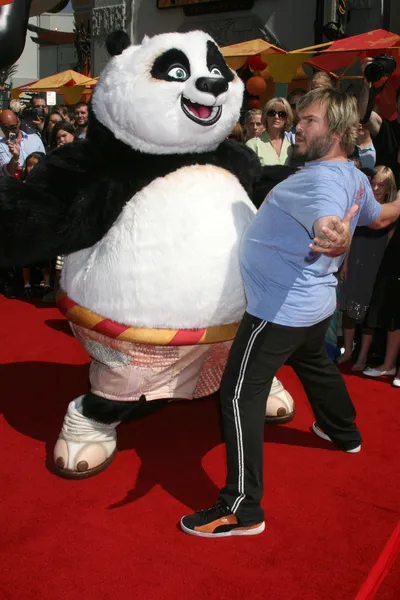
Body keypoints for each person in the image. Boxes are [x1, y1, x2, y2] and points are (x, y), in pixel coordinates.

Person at [180, 87, 400, 538]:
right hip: (312, 308)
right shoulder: (355, 175)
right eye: (301, 118)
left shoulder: (319, 181)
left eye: (311, 121)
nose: (298, 125)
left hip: (277, 311)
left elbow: (327, 218)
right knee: (317, 363)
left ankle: (241, 507)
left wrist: (333, 234)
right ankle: (344, 432)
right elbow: (378, 217)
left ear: (337, 130)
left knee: (240, 396)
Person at [338, 166, 396, 369]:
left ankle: (362, 357)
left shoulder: (391, 213)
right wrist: (345, 263)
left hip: (376, 265)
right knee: (348, 310)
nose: (376, 188)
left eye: (382, 185)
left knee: (369, 312)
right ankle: (348, 351)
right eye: (373, 183)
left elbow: (389, 242)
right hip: (355, 260)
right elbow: (350, 235)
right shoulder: (360, 206)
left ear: (389, 188)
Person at [359, 59, 400, 185]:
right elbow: (363, 114)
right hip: (385, 196)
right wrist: (367, 81)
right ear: (397, 104)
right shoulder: (386, 128)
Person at [246, 98, 293, 166]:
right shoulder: (253, 145)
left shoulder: (290, 147)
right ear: (265, 117)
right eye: (272, 113)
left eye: (282, 114)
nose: (276, 117)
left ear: (286, 119)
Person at [0, 109, 45, 177]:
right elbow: (7, 172)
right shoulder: (1, 145)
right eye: (5, 128)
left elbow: (44, 162)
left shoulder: (35, 139)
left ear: (18, 122)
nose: (10, 131)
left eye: (13, 127)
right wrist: (15, 158)